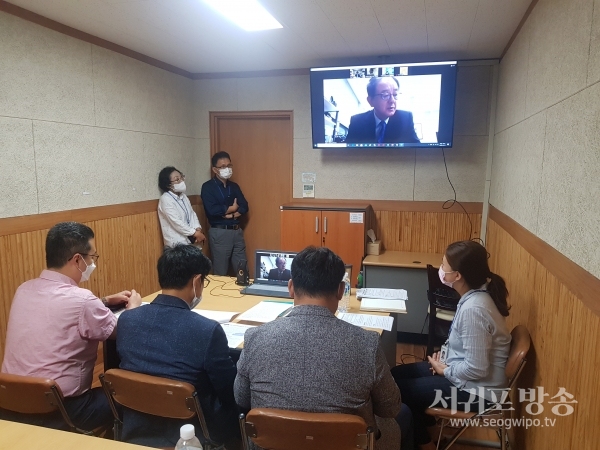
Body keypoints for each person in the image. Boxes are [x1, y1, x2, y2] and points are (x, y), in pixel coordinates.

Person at [234, 246, 402, 450]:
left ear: (290, 287)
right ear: (341, 290)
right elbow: (390, 408)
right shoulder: (367, 343)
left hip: (272, 445)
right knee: (398, 423)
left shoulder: (255, 338)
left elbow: (241, 397)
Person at [1, 222, 142, 431]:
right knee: (130, 395)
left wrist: (102, 300)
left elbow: (56, 310)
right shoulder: (83, 300)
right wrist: (133, 309)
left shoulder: (24, 289)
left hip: (9, 404)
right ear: (77, 259)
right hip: (62, 413)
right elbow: (123, 332)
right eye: (92, 258)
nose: (93, 263)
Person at [391, 240, 511, 450]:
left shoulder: (475, 310)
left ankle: (425, 444)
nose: (440, 268)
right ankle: (432, 434)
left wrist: (445, 370)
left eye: (444, 265)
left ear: (457, 276)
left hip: (478, 392)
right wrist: (446, 359)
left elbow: (477, 368)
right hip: (466, 375)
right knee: (394, 376)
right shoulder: (475, 297)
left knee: (397, 391)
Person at [116, 245, 239, 448]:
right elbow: (229, 392)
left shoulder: (127, 319)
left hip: (136, 424)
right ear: (197, 281)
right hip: (194, 432)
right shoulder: (207, 330)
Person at [201, 151, 249, 275]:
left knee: (242, 270)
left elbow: (244, 206)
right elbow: (212, 210)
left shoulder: (234, 186)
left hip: (237, 231)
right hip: (219, 232)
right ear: (215, 170)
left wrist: (231, 215)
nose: (227, 169)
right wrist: (232, 208)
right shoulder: (207, 187)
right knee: (220, 271)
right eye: (223, 167)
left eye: (229, 165)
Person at [345, 76, 420, 144]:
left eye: (395, 94)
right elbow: (347, 153)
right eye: (385, 95)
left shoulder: (406, 119)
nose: (392, 100)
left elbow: (417, 149)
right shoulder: (357, 122)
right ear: (370, 101)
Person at [157, 166, 205, 248]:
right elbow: (176, 222)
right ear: (168, 185)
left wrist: (198, 229)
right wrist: (194, 233)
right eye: (177, 179)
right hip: (176, 244)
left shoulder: (184, 196)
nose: (181, 181)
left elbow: (192, 214)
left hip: (191, 240)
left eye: (181, 177)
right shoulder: (165, 199)